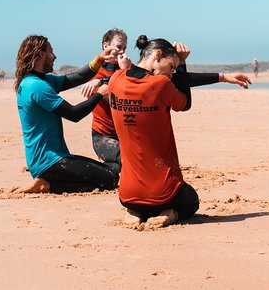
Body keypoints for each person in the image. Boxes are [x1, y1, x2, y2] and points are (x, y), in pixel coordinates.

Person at [109, 35, 251, 229]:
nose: (172, 74)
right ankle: (170, 213)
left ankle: (134, 212)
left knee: (138, 196)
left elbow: (144, 76)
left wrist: (223, 77)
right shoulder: (160, 85)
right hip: (164, 194)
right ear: (157, 55)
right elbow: (185, 103)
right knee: (191, 200)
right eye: (172, 66)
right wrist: (184, 61)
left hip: (127, 195)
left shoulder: (115, 80)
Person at [14, 35, 120, 194]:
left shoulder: (40, 80)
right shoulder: (37, 86)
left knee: (110, 170)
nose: (54, 56)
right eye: (51, 52)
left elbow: (76, 78)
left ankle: (49, 182)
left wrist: (99, 59)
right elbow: (74, 114)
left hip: (54, 158)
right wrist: (99, 94)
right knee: (110, 179)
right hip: (49, 162)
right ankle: (48, 186)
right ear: (41, 54)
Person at [80, 28, 130, 174]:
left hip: (127, 135)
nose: (122, 52)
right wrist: (121, 73)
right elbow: (115, 100)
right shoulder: (95, 73)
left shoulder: (127, 69)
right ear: (105, 45)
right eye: (119, 47)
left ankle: (111, 168)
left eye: (125, 48)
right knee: (127, 159)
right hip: (104, 137)